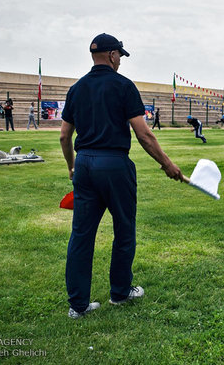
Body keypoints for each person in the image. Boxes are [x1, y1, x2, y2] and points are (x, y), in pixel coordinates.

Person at [60, 32, 184, 319]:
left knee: (81, 235)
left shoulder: (76, 89)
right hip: (114, 163)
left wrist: (72, 165)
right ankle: (120, 292)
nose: (120, 61)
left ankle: (78, 305)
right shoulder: (123, 86)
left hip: (85, 164)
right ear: (113, 55)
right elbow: (144, 133)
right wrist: (166, 163)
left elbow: (65, 135)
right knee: (124, 229)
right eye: (120, 56)